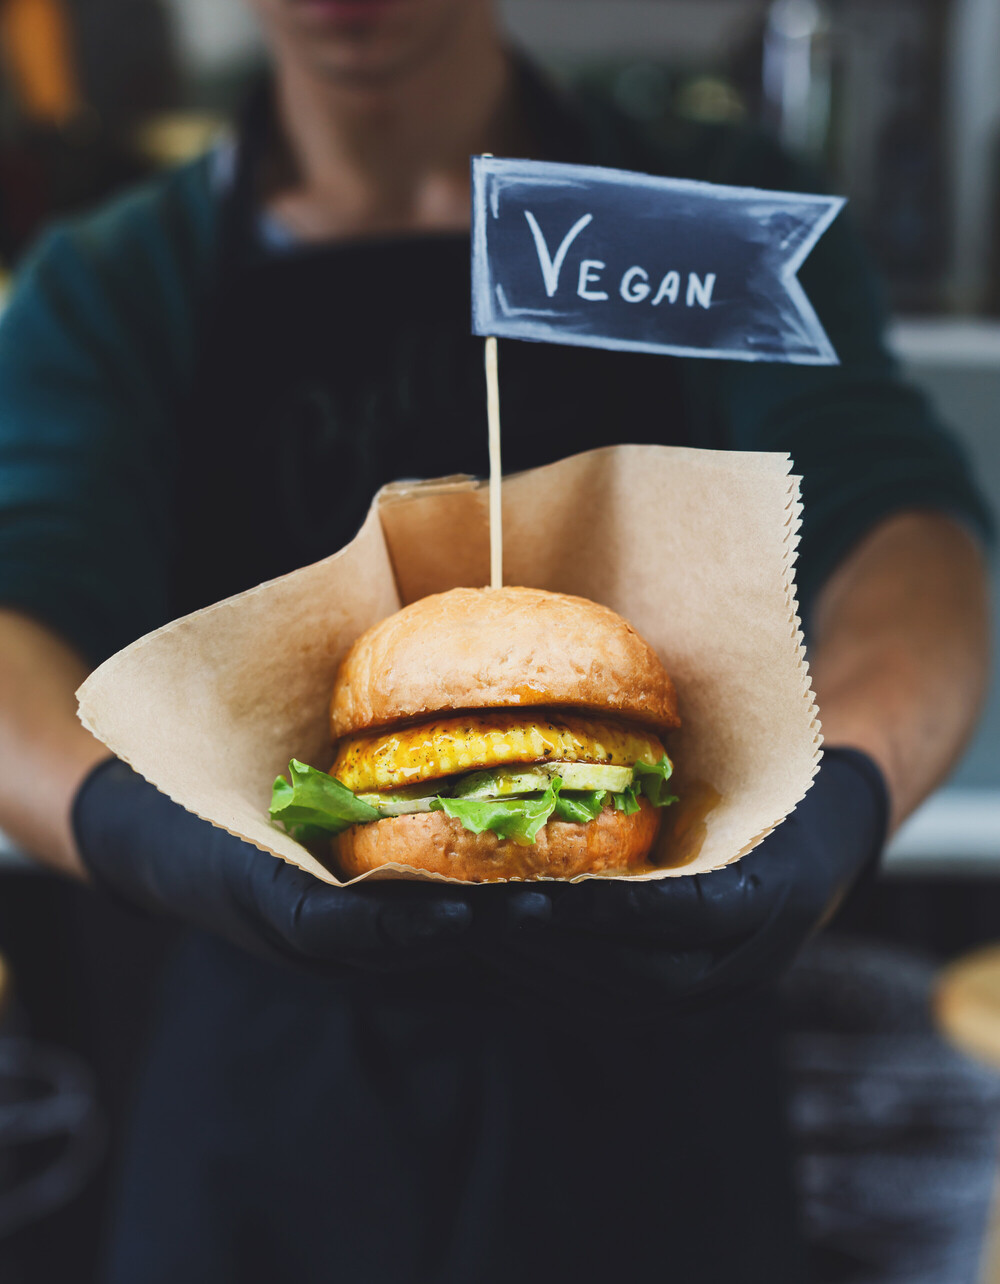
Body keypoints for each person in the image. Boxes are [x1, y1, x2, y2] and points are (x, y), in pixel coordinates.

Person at [0, 0, 991, 1280]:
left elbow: (899, 526)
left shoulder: (700, 222)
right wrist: (142, 835)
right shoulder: (116, 281)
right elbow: (16, 611)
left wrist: (843, 800)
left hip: (662, 1084)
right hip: (269, 1090)